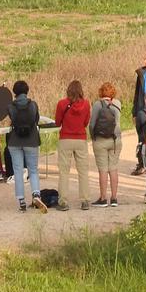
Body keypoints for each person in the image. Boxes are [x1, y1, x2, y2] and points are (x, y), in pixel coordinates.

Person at [7, 80, 47, 213]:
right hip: (31, 139)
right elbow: (36, 120)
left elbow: (12, 120)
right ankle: (36, 194)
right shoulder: (33, 104)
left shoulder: (11, 106)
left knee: (18, 171)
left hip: (15, 141)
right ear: (27, 90)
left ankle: (21, 201)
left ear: (14, 92)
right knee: (33, 169)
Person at [53, 80, 92, 211]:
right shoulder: (86, 104)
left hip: (65, 138)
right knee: (83, 171)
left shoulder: (62, 104)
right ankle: (85, 200)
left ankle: (63, 201)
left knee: (64, 171)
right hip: (80, 138)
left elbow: (58, 122)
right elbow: (86, 122)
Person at [90, 82, 123, 207]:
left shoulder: (97, 105)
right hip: (116, 140)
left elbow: (92, 124)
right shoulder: (117, 103)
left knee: (103, 170)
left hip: (101, 140)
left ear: (101, 92)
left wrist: (93, 137)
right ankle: (114, 198)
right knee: (113, 168)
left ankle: (103, 198)